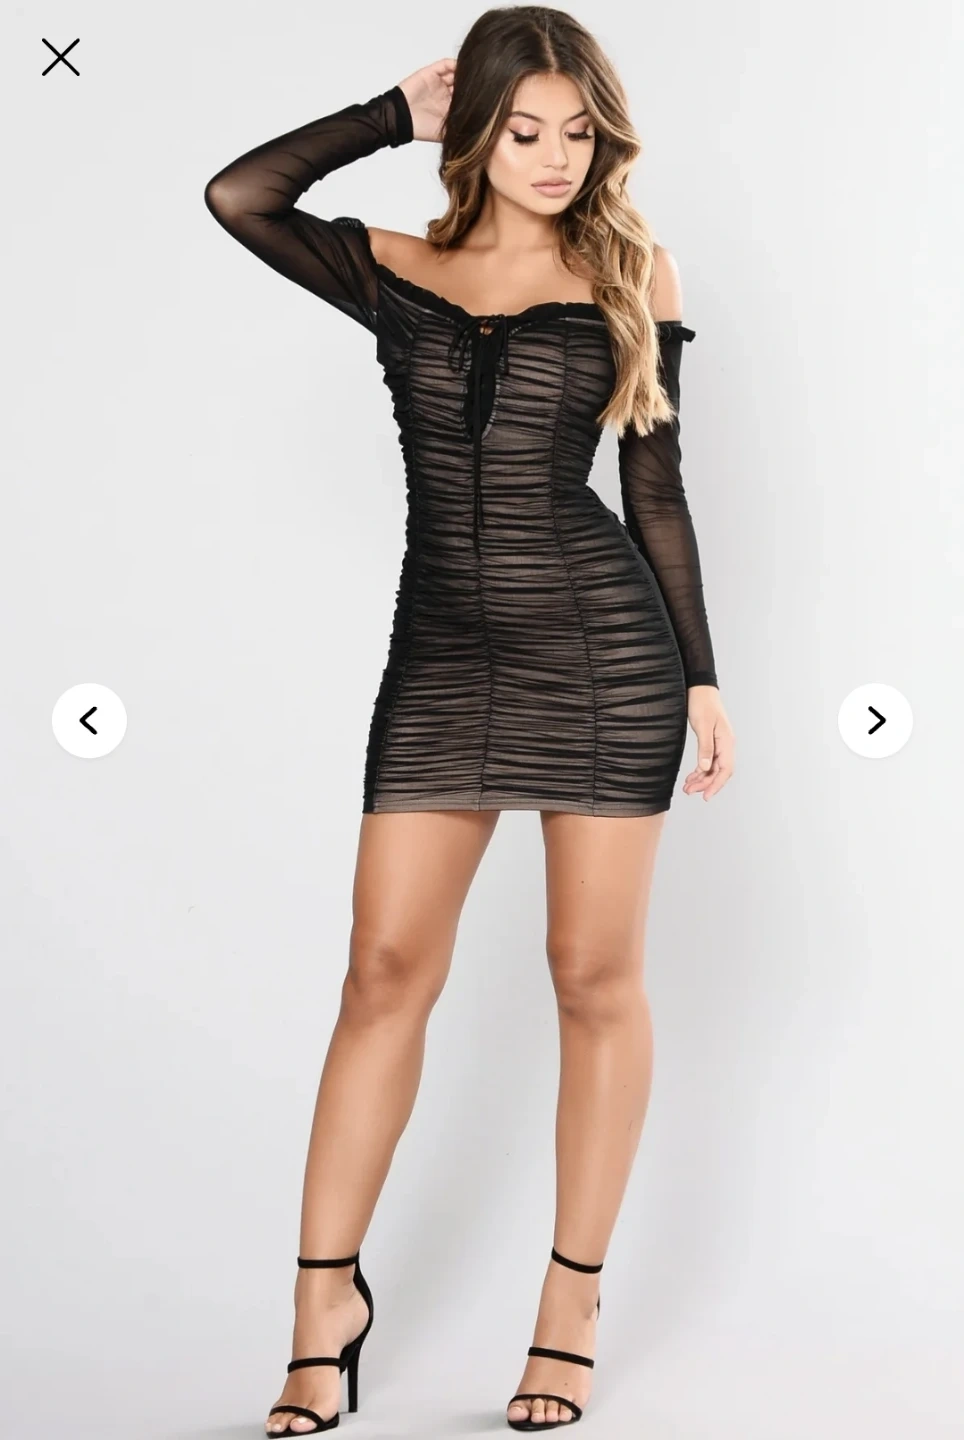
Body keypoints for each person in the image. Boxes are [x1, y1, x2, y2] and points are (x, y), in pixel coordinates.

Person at [204, 6, 735, 1433]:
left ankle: (571, 1303)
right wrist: (390, 112)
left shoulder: (631, 274)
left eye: (579, 133)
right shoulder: (397, 271)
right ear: (477, 133)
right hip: (442, 655)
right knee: (382, 973)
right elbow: (241, 196)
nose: (556, 158)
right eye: (524, 129)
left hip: (603, 655)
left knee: (591, 976)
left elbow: (656, 489)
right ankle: (324, 1307)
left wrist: (701, 676)